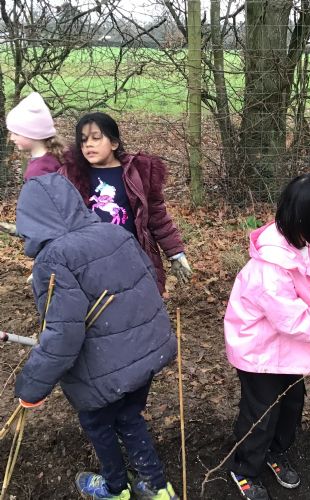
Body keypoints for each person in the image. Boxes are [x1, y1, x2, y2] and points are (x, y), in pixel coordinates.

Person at [14, 173, 179, 500]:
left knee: (99, 424)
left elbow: (63, 334)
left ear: (30, 220)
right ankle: (157, 487)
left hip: (102, 369)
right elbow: (148, 279)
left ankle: (116, 488)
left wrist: (32, 387)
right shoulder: (113, 232)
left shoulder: (53, 259)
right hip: (146, 351)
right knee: (128, 415)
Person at [224, 173, 310, 500]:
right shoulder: (269, 268)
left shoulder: (308, 245)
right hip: (259, 353)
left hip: (287, 350)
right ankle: (244, 468)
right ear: (307, 221)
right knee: (261, 414)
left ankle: (275, 452)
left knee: (291, 405)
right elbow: (293, 320)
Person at [60, 112, 192, 294]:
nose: (88, 144)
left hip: (132, 257)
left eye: (96, 138)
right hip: (90, 262)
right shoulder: (72, 176)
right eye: (83, 140)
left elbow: (157, 216)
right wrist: (45, 261)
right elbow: (57, 220)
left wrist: (175, 253)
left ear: (114, 143)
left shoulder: (137, 174)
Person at [0, 92, 64, 236]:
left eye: (16, 133)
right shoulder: (54, 157)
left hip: (49, 235)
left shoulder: (40, 170)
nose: (11, 138)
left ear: (32, 134)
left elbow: (42, 211)